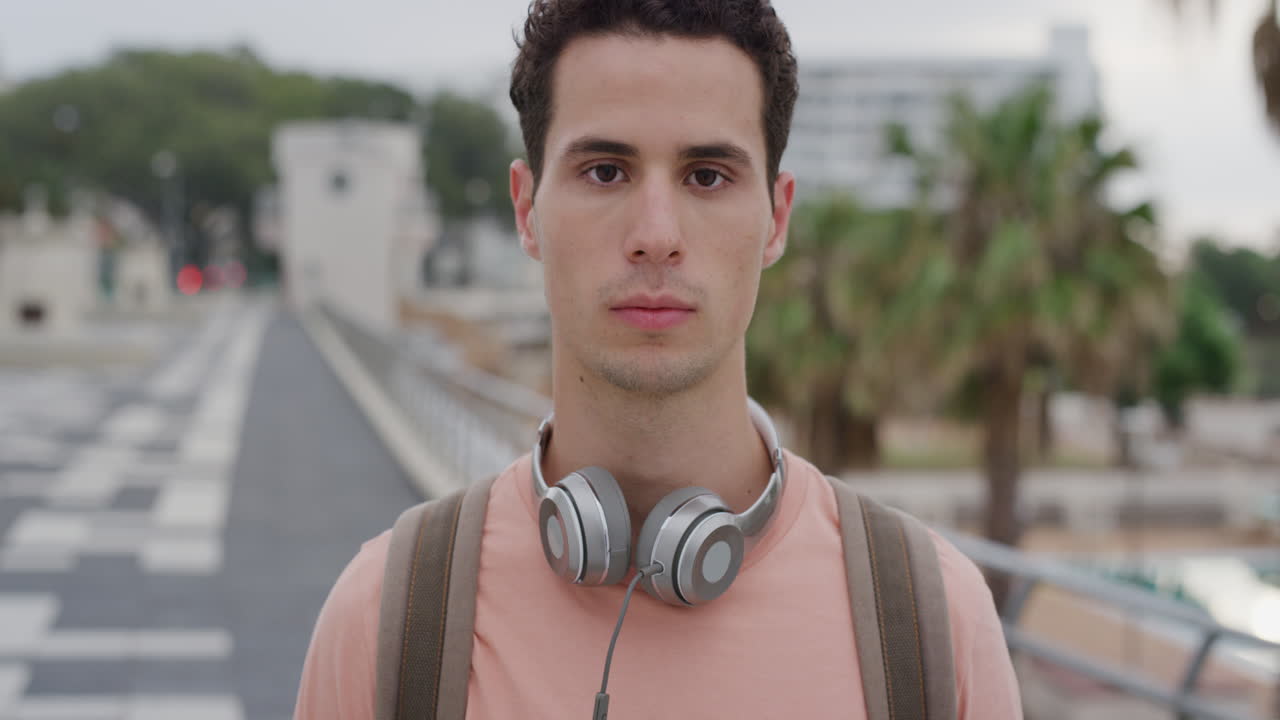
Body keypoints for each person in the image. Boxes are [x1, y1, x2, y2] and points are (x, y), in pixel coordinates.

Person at [294, 1, 1023, 718]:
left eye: (707, 176)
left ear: (776, 219)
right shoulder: (392, 621)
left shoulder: (929, 629)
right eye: (606, 171)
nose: (656, 235)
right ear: (527, 210)